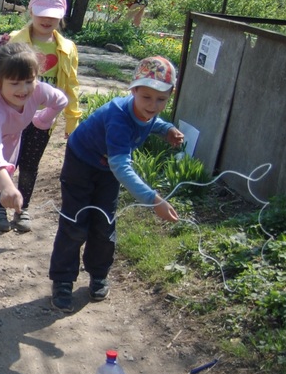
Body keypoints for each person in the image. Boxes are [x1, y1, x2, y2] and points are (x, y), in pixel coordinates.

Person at [47, 55, 184, 313]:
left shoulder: (146, 111)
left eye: (161, 100)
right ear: (133, 91)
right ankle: (63, 279)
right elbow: (122, 167)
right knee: (75, 222)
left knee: (104, 223)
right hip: (82, 162)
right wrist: (153, 200)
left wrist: (167, 130)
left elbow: (152, 122)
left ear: (170, 95)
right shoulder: (118, 118)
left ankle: (98, 273)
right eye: (146, 98)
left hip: (106, 168)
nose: (153, 105)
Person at [0, 42, 68, 309]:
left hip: (7, 148)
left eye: (29, 81)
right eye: (15, 83)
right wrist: (7, 186)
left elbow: (61, 99)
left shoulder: (37, 91)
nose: (24, 90)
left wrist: (44, 119)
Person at [0, 0, 82, 233]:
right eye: (42, 13)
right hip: (13, 116)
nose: (47, 19)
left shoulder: (66, 49)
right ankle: (0, 206)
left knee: (30, 164)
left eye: (53, 16)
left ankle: (22, 209)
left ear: (61, 17)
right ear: (31, 11)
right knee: (4, 162)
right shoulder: (13, 41)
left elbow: (71, 86)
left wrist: (71, 121)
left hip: (43, 121)